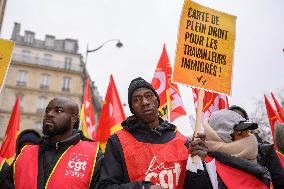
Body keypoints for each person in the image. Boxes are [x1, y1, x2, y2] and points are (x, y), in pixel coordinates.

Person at [99, 77, 209, 189]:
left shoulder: (182, 142)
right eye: (137, 100)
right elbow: (105, 186)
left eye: (149, 96)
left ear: (157, 101)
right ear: (132, 109)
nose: (145, 102)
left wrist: (198, 166)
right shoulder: (117, 142)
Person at [7, 97, 103, 189]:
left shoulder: (93, 156)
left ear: (73, 118)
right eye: (47, 111)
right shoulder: (25, 153)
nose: (49, 114)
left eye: (58, 111)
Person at [203, 109, 282, 189]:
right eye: (239, 133)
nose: (248, 137)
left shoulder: (264, 151)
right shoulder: (203, 164)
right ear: (221, 136)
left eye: (247, 131)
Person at [229, 105, 284, 188]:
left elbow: (280, 183)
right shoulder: (215, 153)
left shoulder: (265, 151)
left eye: (240, 120)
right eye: (231, 119)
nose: (236, 125)